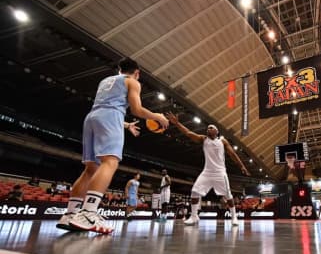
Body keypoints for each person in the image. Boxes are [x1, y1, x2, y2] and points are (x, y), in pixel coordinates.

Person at [56, 57, 169, 233]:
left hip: (92, 118)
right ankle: (88, 213)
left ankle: (70, 214)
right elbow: (136, 110)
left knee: (90, 169)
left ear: (119, 69)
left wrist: (126, 125)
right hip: (110, 117)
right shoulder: (132, 82)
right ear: (137, 73)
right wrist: (157, 116)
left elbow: (106, 106)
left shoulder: (105, 81)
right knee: (110, 162)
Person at [166, 112, 250, 226]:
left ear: (216, 131)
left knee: (228, 196)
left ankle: (234, 217)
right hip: (207, 172)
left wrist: (242, 166)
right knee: (195, 191)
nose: (208, 129)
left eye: (211, 128)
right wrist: (177, 123)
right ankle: (194, 216)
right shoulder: (203, 139)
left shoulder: (222, 141)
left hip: (220, 173)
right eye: (207, 128)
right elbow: (188, 133)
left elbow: (233, 154)